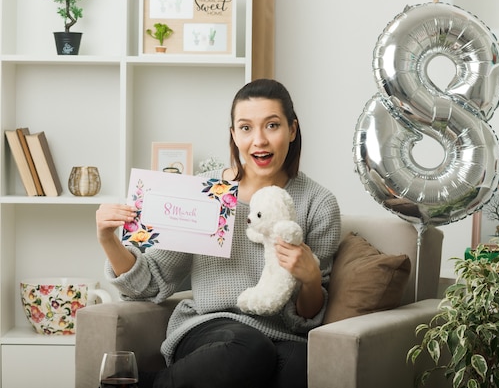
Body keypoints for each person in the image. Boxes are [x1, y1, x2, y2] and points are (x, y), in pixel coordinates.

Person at [95, 78, 341, 388]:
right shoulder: (207, 192)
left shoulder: (318, 203)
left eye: (272, 126)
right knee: (250, 347)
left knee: (302, 368)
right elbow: (150, 280)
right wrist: (107, 239)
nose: (259, 140)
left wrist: (310, 279)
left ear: (292, 130)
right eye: (246, 128)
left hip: (281, 337)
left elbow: (305, 320)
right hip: (211, 330)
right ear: (234, 135)